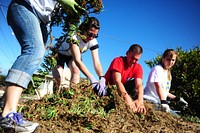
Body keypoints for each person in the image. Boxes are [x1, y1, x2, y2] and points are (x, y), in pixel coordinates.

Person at [0, 0, 86, 132]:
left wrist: (73, 20)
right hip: (25, 6)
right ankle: (8, 114)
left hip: (43, 20)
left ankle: (5, 101)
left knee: (35, 55)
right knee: (33, 50)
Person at [52, 17, 106, 95]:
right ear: (83, 29)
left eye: (95, 35)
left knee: (76, 70)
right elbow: (77, 60)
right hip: (59, 52)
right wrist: (91, 78)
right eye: (90, 34)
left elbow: (97, 62)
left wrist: (101, 77)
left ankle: (71, 96)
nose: (91, 38)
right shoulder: (74, 36)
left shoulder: (93, 41)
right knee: (58, 76)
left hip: (71, 56)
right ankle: (55, 96)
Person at [104, 44, 146, 114]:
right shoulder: (118, 61)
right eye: (132, 58)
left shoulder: (138, 67)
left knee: (134, 84)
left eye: (137, 59)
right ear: (127, 53)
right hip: (109, 87)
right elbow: (117, 81)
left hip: (122, 87)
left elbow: (139, 84)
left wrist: (140, 100)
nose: (134, 61)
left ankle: (136, 105)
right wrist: (127, 98)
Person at [143, 49, 188, 114]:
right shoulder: (157, 69)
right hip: (150, 100)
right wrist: (163, 101)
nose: (170, 62)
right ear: (163, 58)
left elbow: (164, 91)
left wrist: (177, 99)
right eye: (168, 59)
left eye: (173, 60)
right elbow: (158, 86)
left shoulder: (168, 74)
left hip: (158, 102)